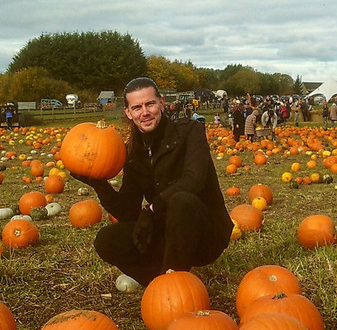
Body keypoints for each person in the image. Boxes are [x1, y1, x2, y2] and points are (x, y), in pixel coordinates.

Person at [72, 77, 233, 289]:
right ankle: (160, 282)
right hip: (166, 232)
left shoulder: (189, 131)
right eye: (137, 107)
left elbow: (193, 180)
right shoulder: (132, 152)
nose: (145, 112)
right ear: (129, 113)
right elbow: (128, 211)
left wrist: (152, 208)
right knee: (107, 240)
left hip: (204, 232)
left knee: (181, 201)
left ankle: (175, 286)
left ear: (162, 103)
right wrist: (99, 185)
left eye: (150, 104)